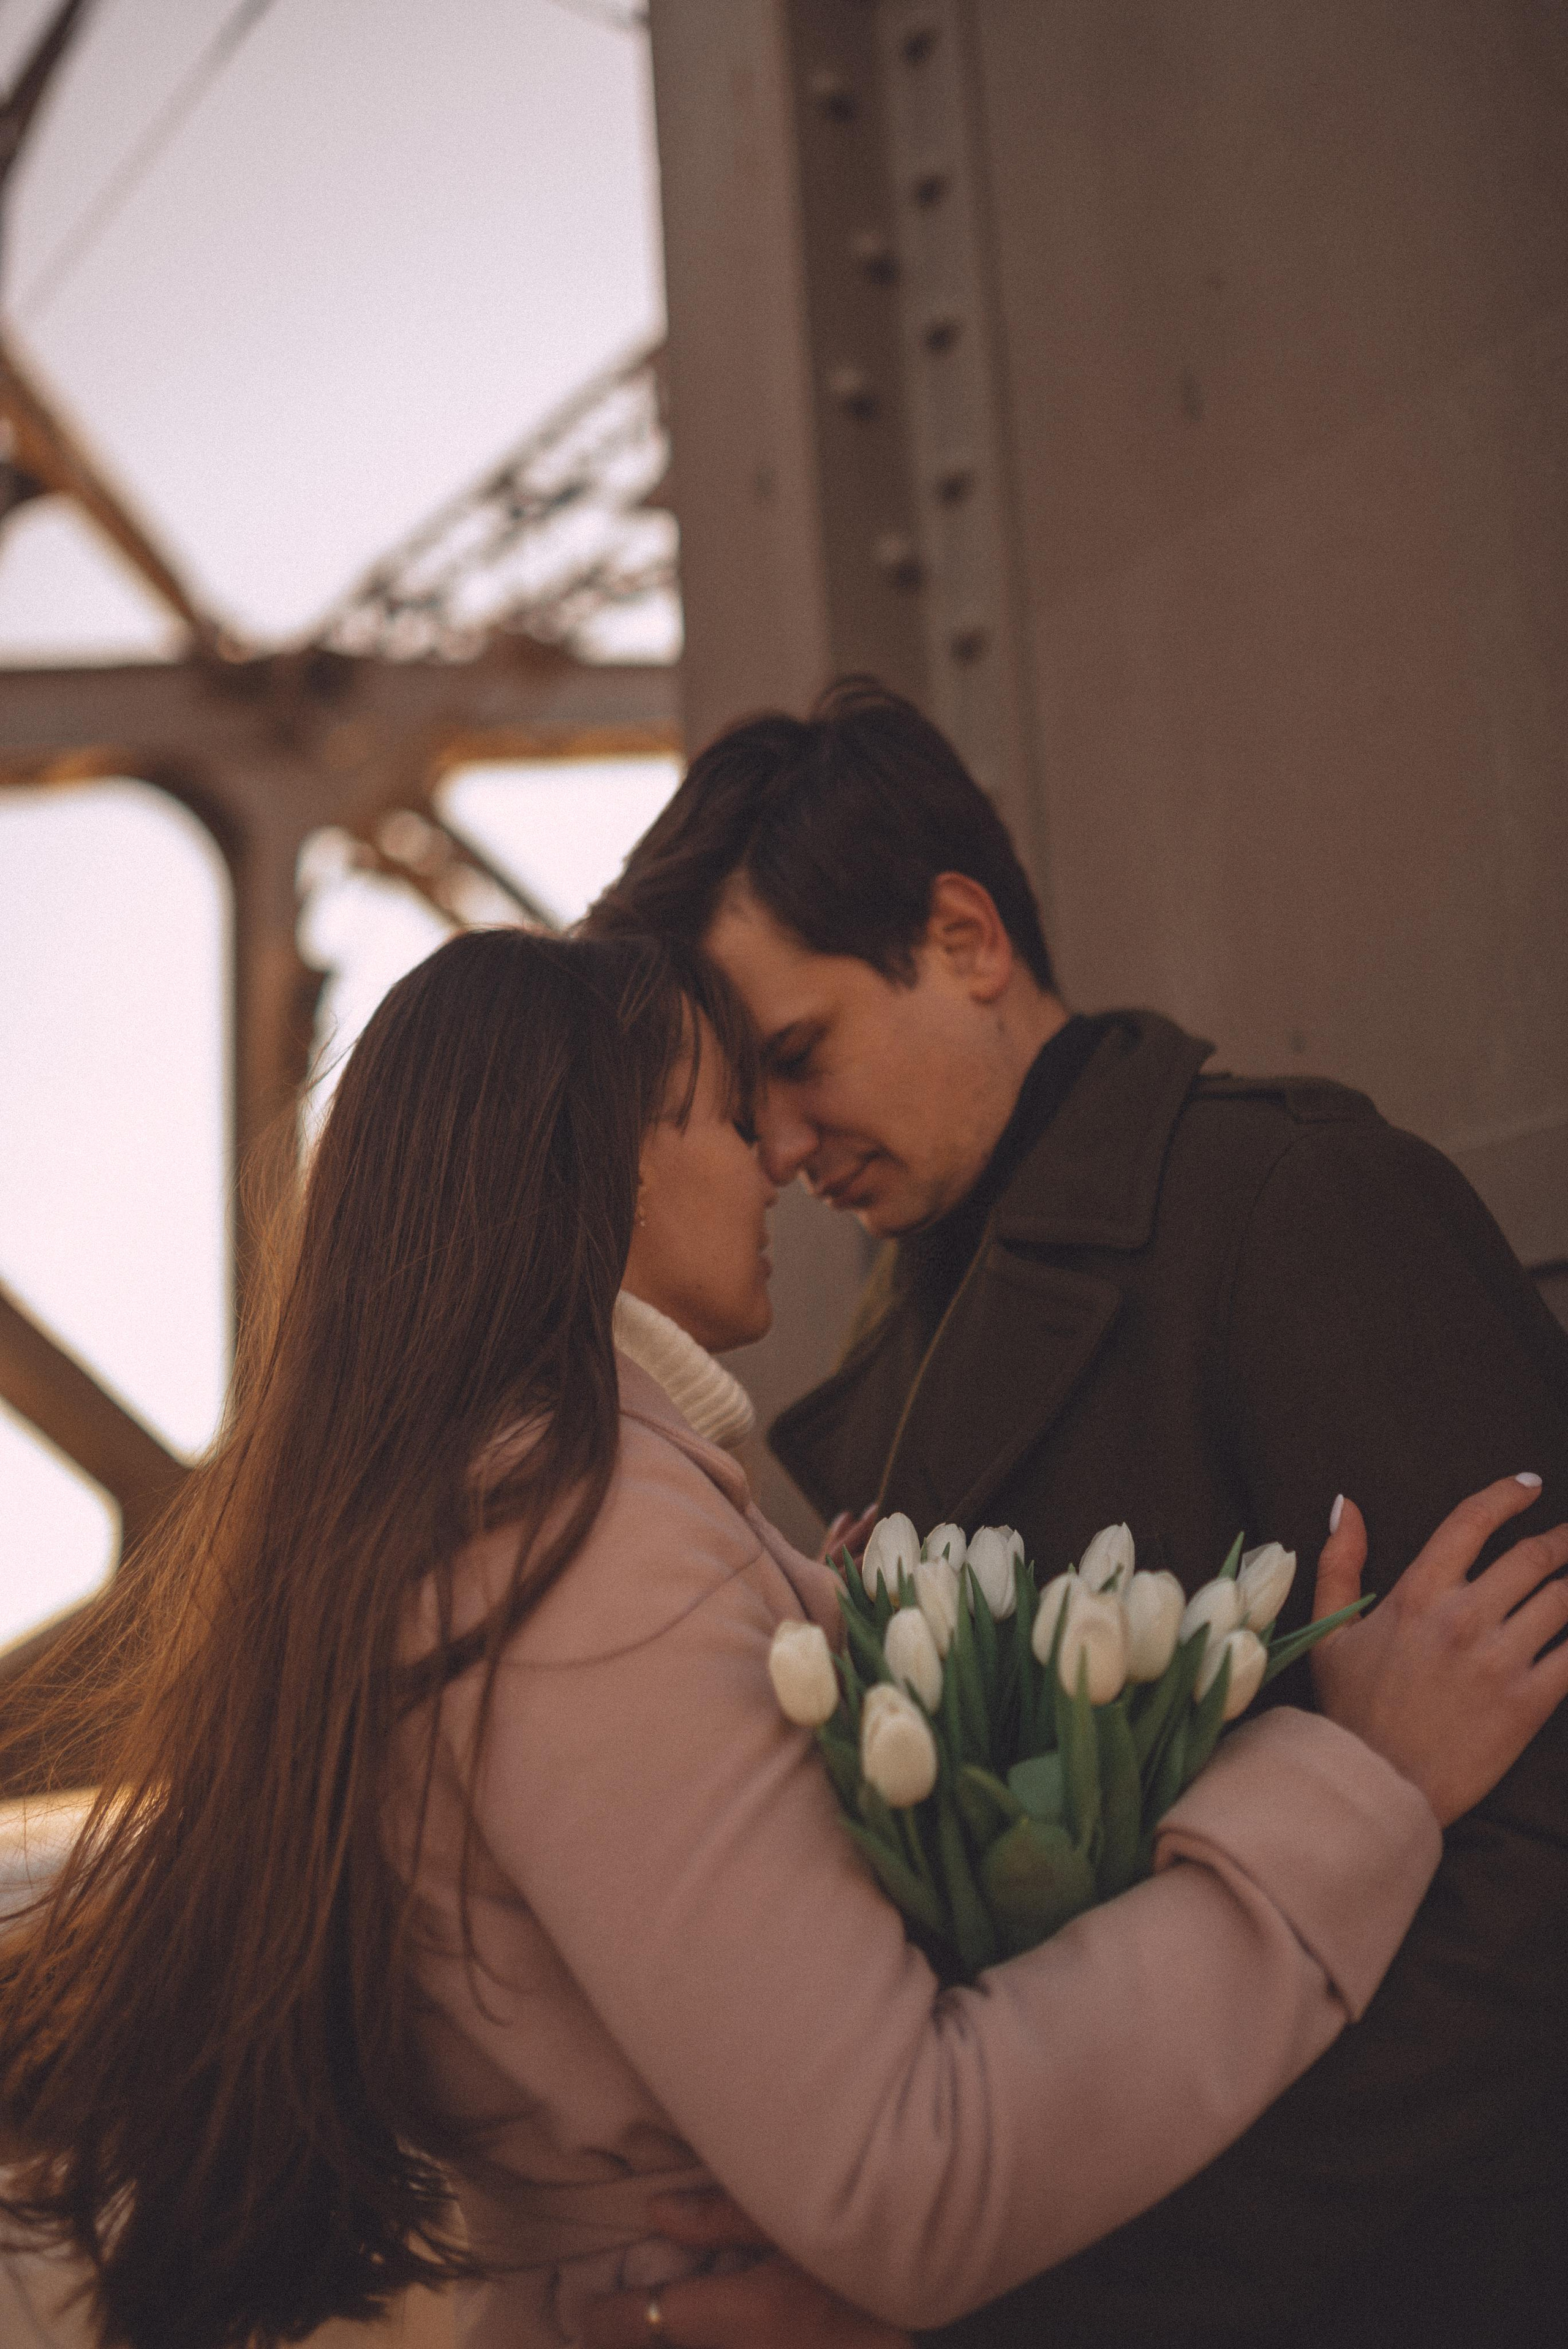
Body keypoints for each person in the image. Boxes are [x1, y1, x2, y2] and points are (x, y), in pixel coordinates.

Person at [0, 932, 1563, 2349]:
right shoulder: (573, 1530)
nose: (772, 1166)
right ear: (606, 1158)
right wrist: (1359, 1774)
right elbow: (909, 2164)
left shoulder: (518, 1514)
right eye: (728, 1118)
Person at [582, 678, 1568, 2349]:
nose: (783, 1143)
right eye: (745, 1103)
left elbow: (1536, 1871)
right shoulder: (889, 1369)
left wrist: (1068, 2290)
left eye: (801, 1059)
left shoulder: (1297, 1206)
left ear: (966, 936)